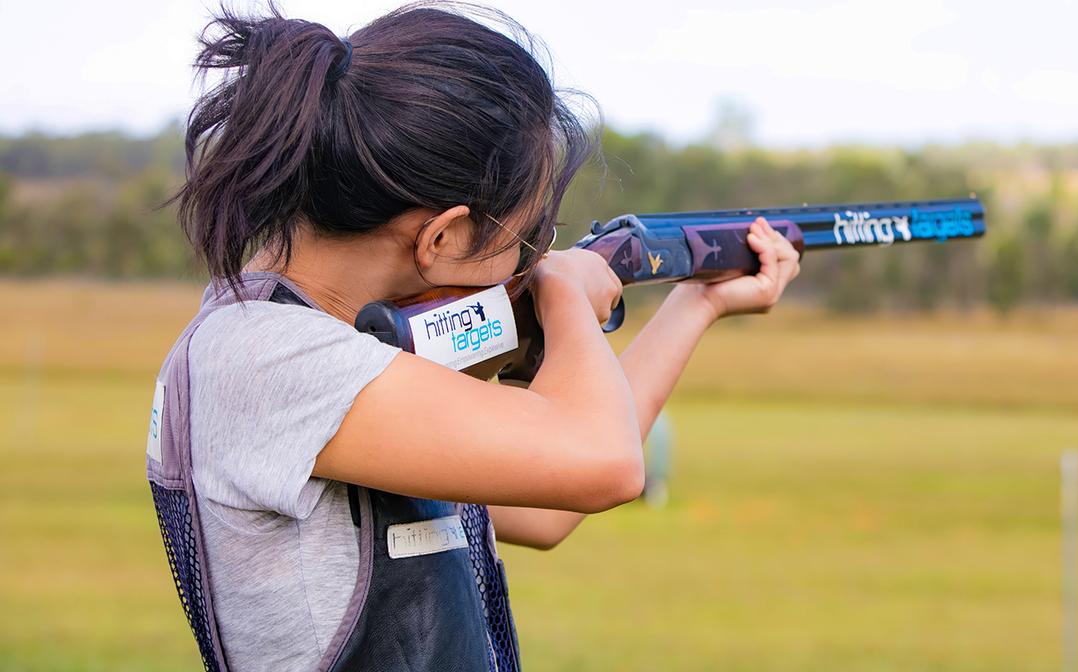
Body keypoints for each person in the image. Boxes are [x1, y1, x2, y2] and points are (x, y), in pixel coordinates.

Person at [144, 3, 802, 671]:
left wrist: (697, 300)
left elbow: (548, 507)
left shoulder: (335, 356)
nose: (531, 262)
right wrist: (565, 293)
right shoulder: (267, 357)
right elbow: (604, 463)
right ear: (443, 237)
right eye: (528, 241)